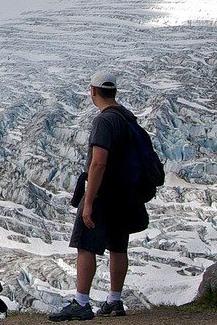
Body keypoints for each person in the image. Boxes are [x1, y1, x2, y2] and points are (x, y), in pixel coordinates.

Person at [50, 73, 148, 320]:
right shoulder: (127, 117)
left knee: (85, 245)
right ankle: (114, 300)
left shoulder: (104, 121)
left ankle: (81, 302)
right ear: (114, 91)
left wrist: (89, 201)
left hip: (103, 193)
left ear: (93, 91)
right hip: (126, 194)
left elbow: (98, 163)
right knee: (118, 246)